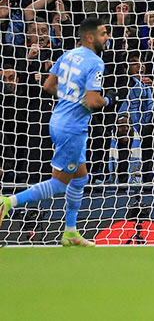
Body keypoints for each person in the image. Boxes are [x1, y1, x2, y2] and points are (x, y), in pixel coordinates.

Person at [0, 17, 111, 247]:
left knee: (80, 177)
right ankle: (8, 201)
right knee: (59, 183)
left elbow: (48, 86)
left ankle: (70, 232)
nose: (107, 37)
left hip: (59, 120)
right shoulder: (96, 63)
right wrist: (109, 100)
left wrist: (70, 97)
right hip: (72, 128)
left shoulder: (68, 55)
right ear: (90, 37)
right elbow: (93, 100)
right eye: (103, 33)